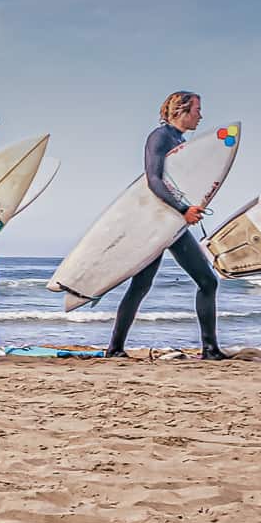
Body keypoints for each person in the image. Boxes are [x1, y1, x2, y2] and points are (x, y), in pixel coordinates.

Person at [106, 91, 226, 360]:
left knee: (202, 281)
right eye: (197, 109)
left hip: (171, 221)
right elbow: (154, 180)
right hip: (158, 222)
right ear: (180, 110)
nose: (200, 115)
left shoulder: (179, 141)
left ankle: (209, 348)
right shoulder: (160, 137)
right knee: (199, 281)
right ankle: (115, 348)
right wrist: (184, 210)